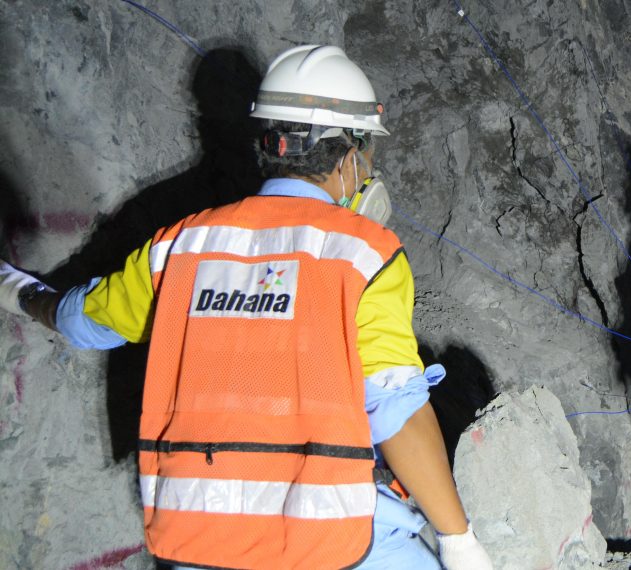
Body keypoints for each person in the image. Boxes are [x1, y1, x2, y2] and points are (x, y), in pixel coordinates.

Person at [0, 45, 492, 570]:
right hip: (322, 543)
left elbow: (82, 322)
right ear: (349, 156)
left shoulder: (179, 247)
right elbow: (395, 409)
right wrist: (457, 538)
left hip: (191, 542)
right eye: (367, 153)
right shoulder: (362, 253)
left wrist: (21, 292)